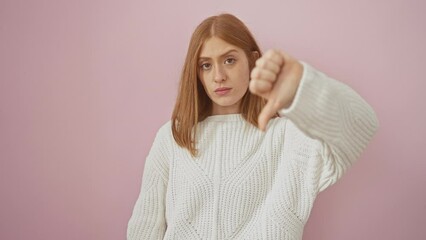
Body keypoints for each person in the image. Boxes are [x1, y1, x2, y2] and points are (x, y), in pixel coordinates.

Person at [127, 13, 379, 240]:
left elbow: (362, 124)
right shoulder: (173, 138)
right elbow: (144, 227)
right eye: (206, 65)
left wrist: (302, 87)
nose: (218, 76)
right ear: (197, 73)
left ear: (252, 60)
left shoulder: (287, 137)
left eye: (229, 60)